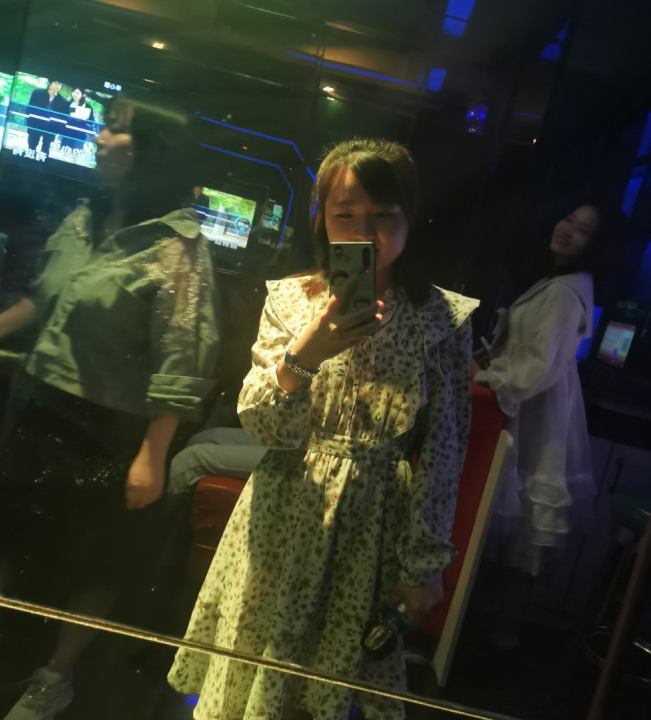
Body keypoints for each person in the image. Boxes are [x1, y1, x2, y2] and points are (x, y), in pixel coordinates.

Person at [168, 138, 479, 720]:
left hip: (371, 523)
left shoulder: (442, 318)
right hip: (283, 512)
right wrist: (305, 355)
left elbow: (445, 449)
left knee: (329, 687)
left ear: (410, 218)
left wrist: (423, 565)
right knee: (256, 666)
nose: (365, 232)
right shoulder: (290, 300)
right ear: (322, 220)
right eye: (345, 215)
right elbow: (264, 426)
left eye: (383, 215)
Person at [0, 95, 220, 720]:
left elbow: (184, 358)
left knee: (91, 561)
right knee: (12, 535)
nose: (98, 137)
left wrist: (153, 454)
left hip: (106, 428)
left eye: (115, 130)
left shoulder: (176, 247)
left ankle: (56, 677)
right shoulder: (84, 216)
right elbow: (43, 301)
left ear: (150, 150)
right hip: (37, 403)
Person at [471, 202, 624, 651]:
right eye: (569, 220)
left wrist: (486, 375)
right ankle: (491, 622)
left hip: (539, 414)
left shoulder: (564, 291)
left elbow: (537, 368)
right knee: (520, 523)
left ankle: (503, 635)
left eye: (584, 230)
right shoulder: (560, 281)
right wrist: (492, 360)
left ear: (596, 247)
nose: (569, 230)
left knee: (528, 526)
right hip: (536, 409)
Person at [26, 80, 70, 156]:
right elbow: (30, 108)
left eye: (60, 84)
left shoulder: (63, 101)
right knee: (32, 147)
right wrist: (29, 122)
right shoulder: (38, 93)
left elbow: (63, 117)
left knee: (45, 149)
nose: (58, 86)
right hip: (36, 125)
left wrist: (58, 130)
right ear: (50, 83)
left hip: (50, 128)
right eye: (56, 83)